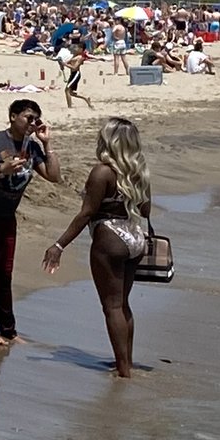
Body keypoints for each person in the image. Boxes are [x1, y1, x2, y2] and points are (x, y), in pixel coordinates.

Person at [44, 116, 153, 380]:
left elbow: (86, 214)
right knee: (123, 305)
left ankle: (124, 371)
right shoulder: (139, 170)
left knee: (112, 307)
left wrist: (59, 245)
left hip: (110, 238)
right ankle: (125, 361)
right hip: (134, 237)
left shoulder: (102, 171)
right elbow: (145, 209)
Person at [0, 99, 60, 346]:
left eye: (36, 119)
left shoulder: (32, 148)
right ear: (13, 116)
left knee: (4, 273)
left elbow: (54, 176)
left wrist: (47, 145)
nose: (32, 123)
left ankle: (9, 330)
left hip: (6, 216)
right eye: (28, 117)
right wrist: (0, 171)